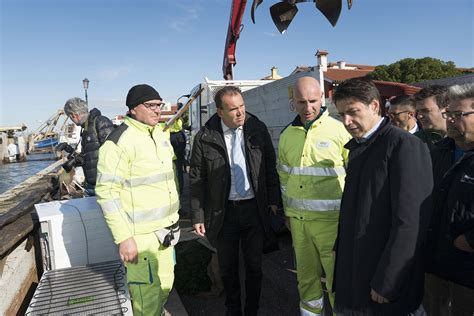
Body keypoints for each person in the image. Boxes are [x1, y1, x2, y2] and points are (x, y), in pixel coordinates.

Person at [332, 78, 433, 316]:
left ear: (375, 106)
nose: (347, 121)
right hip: (356, 271)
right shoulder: (360, 146)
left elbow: (411, 223)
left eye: (353, 112)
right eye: (341, 114)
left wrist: (389, 280)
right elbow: (356, 207)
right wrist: (340, 245)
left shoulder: (403, 146)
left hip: (383, 283)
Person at [189, 86, 281, 316]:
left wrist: (273, 201)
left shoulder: (256, 128)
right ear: (220, 112)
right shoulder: (205, 136)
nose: (240, 113)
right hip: (224, 213)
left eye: (242, 106)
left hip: (253, 210)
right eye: (233, 109)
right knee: (228, 269)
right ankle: (233, 310)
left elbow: (270, 166)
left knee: (254, 267)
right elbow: (197, 179)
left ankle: (252, 311)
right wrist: (197, 214)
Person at [95, 84, 180, 315]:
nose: (157, 110)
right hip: (140, 236)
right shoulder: (118, 141)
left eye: (159, 105)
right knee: (146, 298)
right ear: (133, 109)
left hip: (166, 230)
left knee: (165, 286)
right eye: (150, 105)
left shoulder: (160, 133)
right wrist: (124, 238)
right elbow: (107, 193)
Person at [278, 76, 351, 315]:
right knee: (306, 281)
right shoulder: (287, 134)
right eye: (301, 102)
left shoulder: (340, 130)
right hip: (298, 224)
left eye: (312, 101)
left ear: (322, 98)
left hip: (332, 223)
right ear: (293, 102)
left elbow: (356, 177)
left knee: (337, 282)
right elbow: (284, 178)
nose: (307, 108)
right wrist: (288, 214)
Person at [424, 83, 474, 316]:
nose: (450, 119)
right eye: (448, 114)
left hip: (467, 273)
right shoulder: (439, 151)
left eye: (458, 114)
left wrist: (469, 241)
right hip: (434, 265)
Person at [63, 97, 114, 195]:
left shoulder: (100, 122)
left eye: (70, 117)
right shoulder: (86, 128)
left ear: (74, 115)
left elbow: (113, 152)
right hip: (93, 183)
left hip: (104, 183)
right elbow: (91, 155)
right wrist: (75, 158)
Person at [414, 85, 448, 149]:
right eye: (418, 111)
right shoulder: (414, 141)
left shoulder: (465, 140)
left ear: (446, 110)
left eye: (426, 111)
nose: (419, 116)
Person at [169, 118, 186, 195]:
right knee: (179, 176)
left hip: (173, 159)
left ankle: (178, 192)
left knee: (176, 176)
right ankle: (179, 193)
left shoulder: (168, 134)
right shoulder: (181, 134)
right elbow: (182, 146)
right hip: (178, 158)